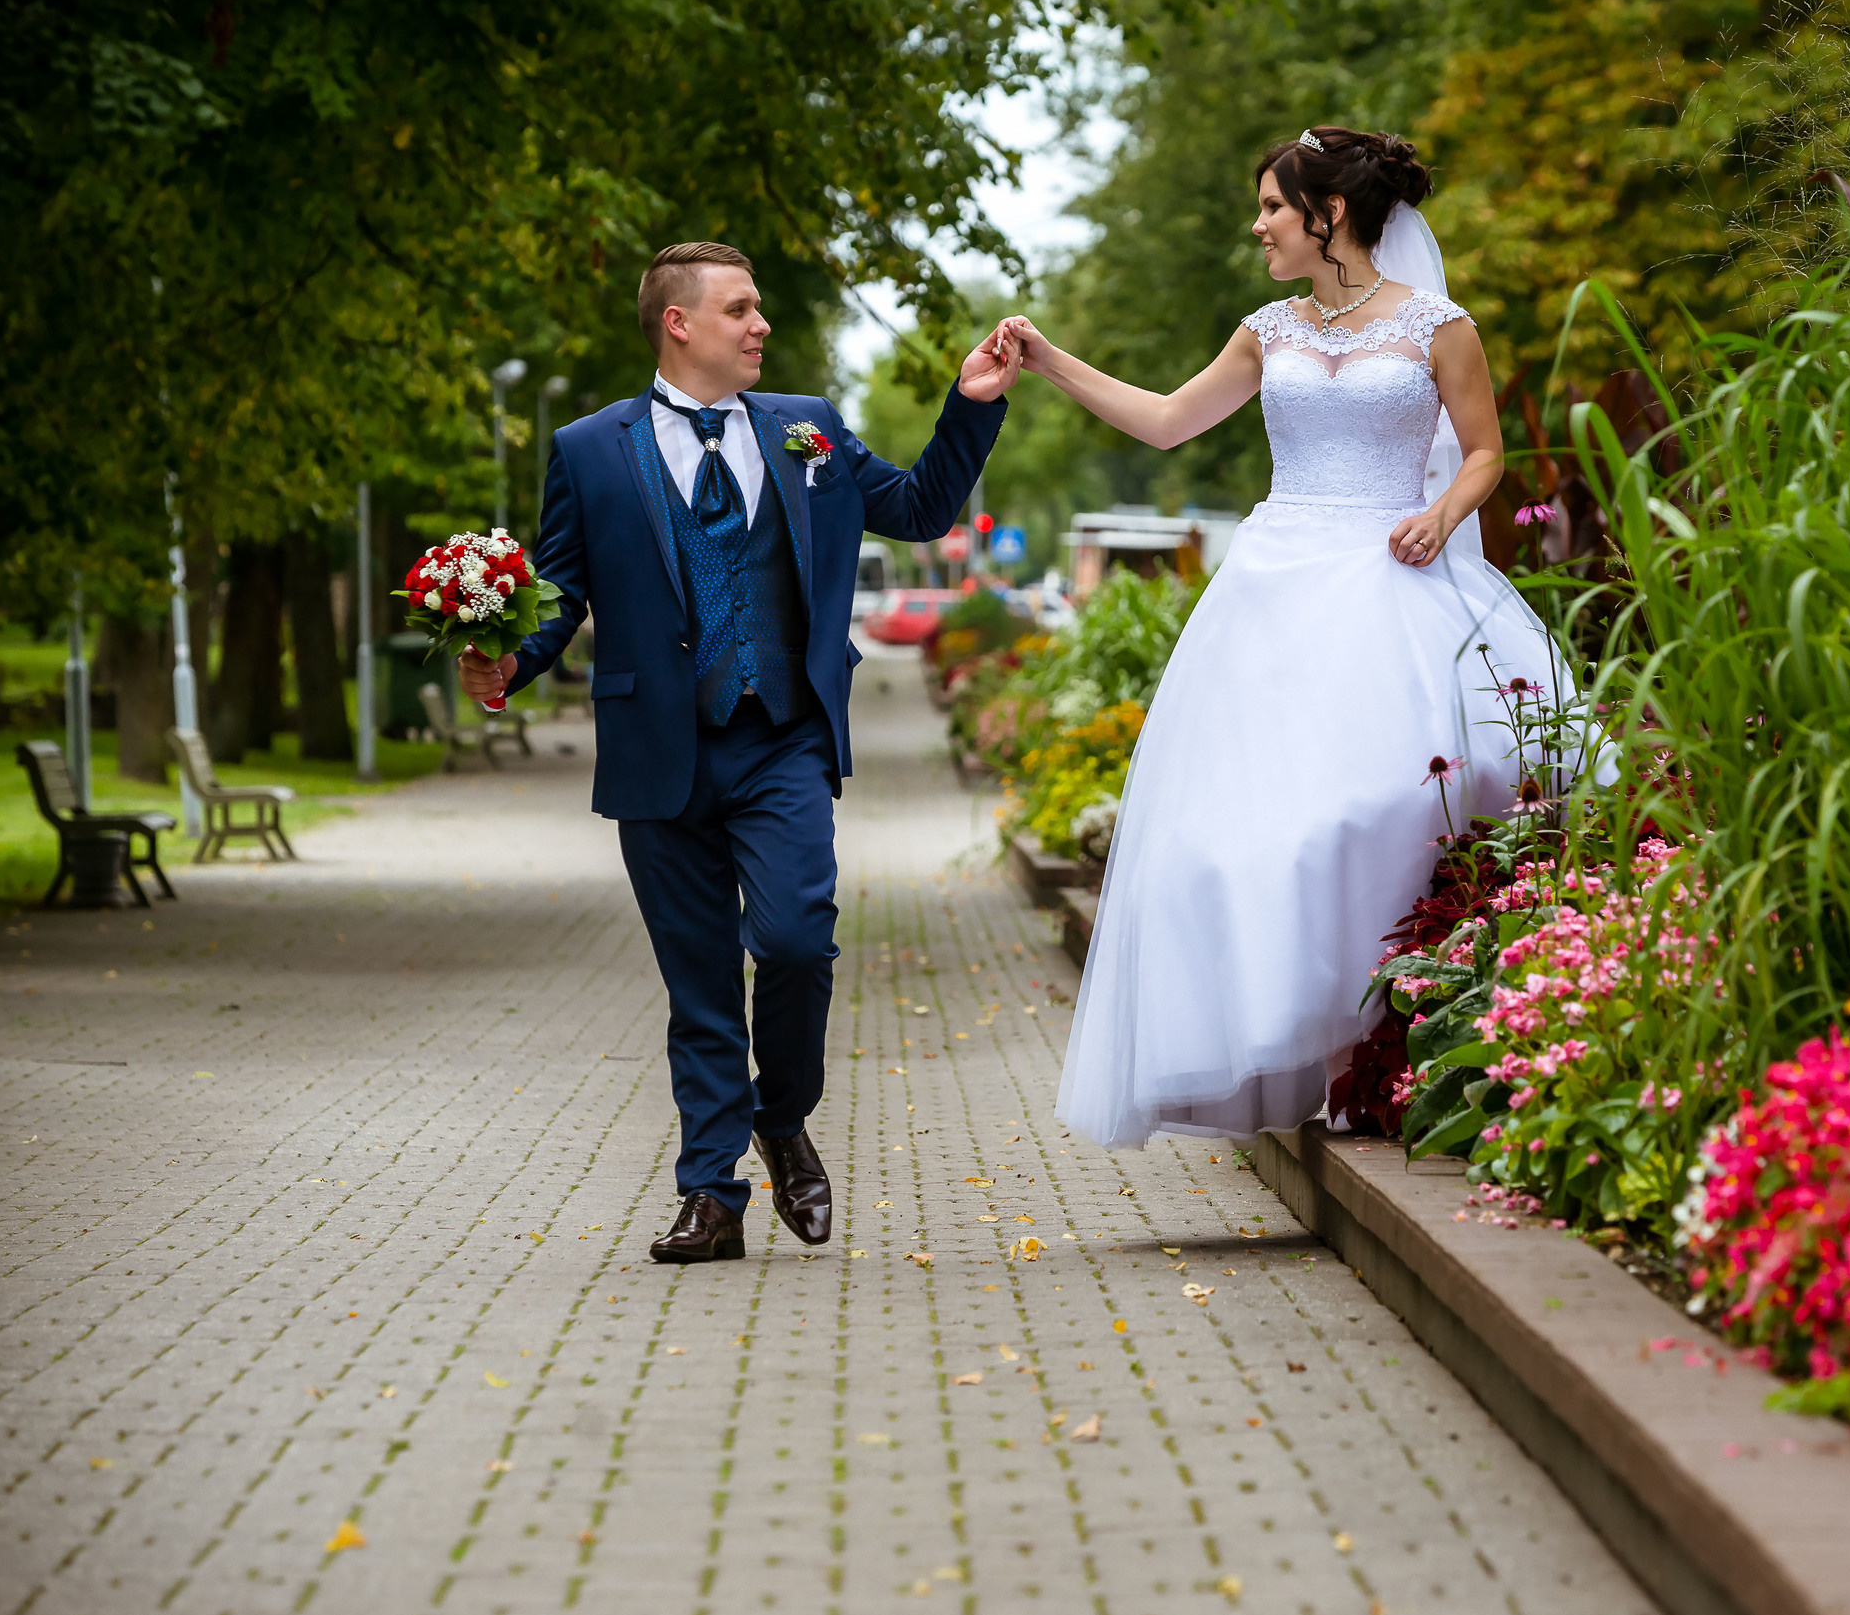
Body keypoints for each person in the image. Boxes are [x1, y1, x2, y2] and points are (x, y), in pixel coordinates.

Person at [996, 127, 1582, 1150]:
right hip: (1274, 590)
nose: (1258, 223)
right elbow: (1169, 419)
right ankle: (1297, 1038)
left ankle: (1383, 1042)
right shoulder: (1266, 330)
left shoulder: (1442, 326)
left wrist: (1442, 515)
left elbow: (1485, 451)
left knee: (1378, 811)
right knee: (1258, 827)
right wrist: (1048, 360)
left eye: (1271, 205)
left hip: (1395, 581)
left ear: (1330, 212)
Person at [462, 241, 1020, 1260]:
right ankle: (710, 1194)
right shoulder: (590, 448)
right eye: (741, 308)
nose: (761, 324)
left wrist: (971, 403)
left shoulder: (807, 428)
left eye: (759, 308)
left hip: (783, 740)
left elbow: (920, 510)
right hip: (657, 750)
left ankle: (782, 1111)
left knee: (799, 939)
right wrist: (507, 665)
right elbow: (561, 587)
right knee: (702, 982)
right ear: (679, 322)